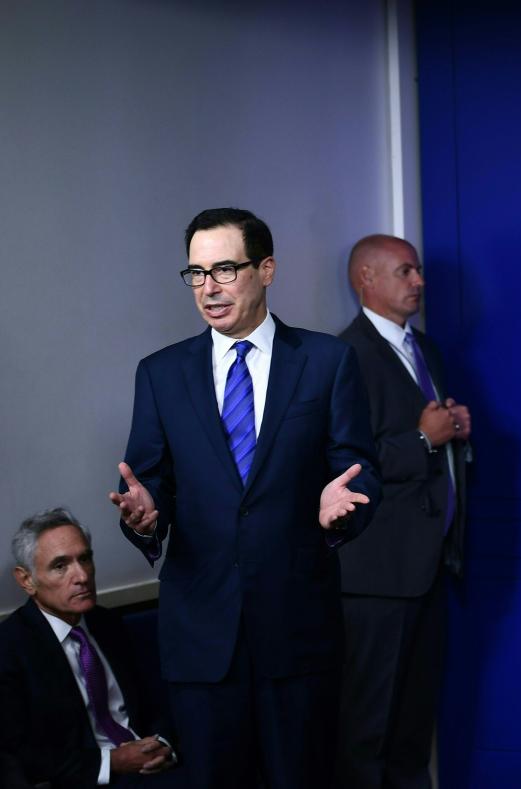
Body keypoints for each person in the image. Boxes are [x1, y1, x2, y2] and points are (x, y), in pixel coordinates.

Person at [107, 208, 381, 789]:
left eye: (226, 269)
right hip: (201, 641)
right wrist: (146, 518)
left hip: (297, 635)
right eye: (197, 273)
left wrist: (343, 508)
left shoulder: (327, 362)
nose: (209, 288)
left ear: (267, 269)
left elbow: (360, 470)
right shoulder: (160, 373)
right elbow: (149, 486)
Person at [333, 234, 471, 789]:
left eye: (418, 271)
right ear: (366, 279)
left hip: (429, 565)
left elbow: (435, 442)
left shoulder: (426, 349)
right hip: (376, 576)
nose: (419, 281)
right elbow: (340, 463)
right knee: (369, 726)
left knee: (414, 723)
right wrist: (421, 439)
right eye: (405, 271)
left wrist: (456, 432)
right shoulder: (344, 357)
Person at [0, 508, 175, 787]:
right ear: (26, 580)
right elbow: (19, 754)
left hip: (153, 766)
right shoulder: (9, 649)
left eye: (85, 558)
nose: (81, 576)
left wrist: (163, 743)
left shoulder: (108, 624)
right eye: (61, 566)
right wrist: (112, 761)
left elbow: (156, 701)